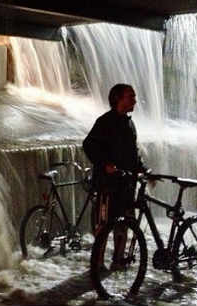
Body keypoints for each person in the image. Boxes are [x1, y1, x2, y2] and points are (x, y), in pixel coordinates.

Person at [83, 83, 148, 270]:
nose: (135, 100)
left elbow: (133, 154)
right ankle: (97, 266)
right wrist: (105, 164)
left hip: (127, 185)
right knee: (103, 226)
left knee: (125, 224)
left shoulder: (130, 123)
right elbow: (89, 145)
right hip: (107, 185)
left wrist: (143, 169)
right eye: (131, 97)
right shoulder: (104, 122)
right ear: (118, 99)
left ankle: (118, 262)